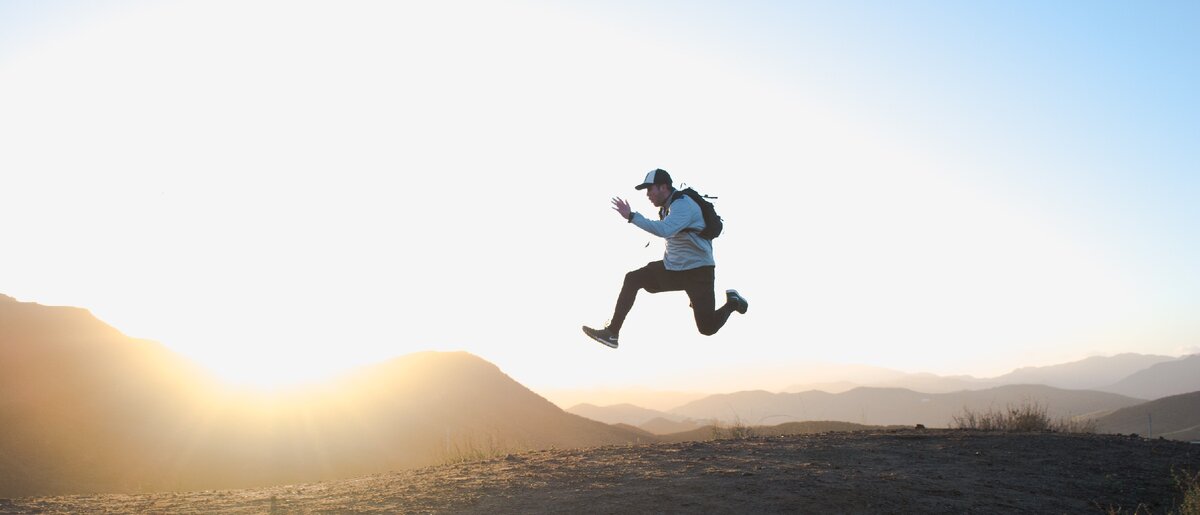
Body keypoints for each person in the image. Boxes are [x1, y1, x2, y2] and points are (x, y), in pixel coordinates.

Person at [583, 168, 748, 348]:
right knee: (633, 279)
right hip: (673, 269)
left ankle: (732, 303)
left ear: (663, 187)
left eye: (650, 189)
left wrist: (631, 216)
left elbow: (664, 230)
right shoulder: (666, 208)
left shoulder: (683, 204)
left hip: (698, 273)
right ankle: (612, 333)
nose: (647, 194)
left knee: (707, 328)